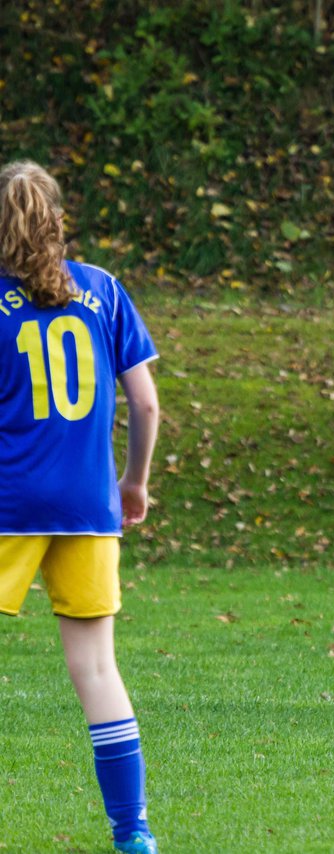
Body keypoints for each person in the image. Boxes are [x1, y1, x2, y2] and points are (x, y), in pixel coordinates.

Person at [0, 161, 161, 852]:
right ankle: (134, 834)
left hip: (8, 505)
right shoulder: (104, 290)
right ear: (59, 218)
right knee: (97, 673)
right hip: (89, 508)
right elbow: (147, 403)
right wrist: (133, 483)